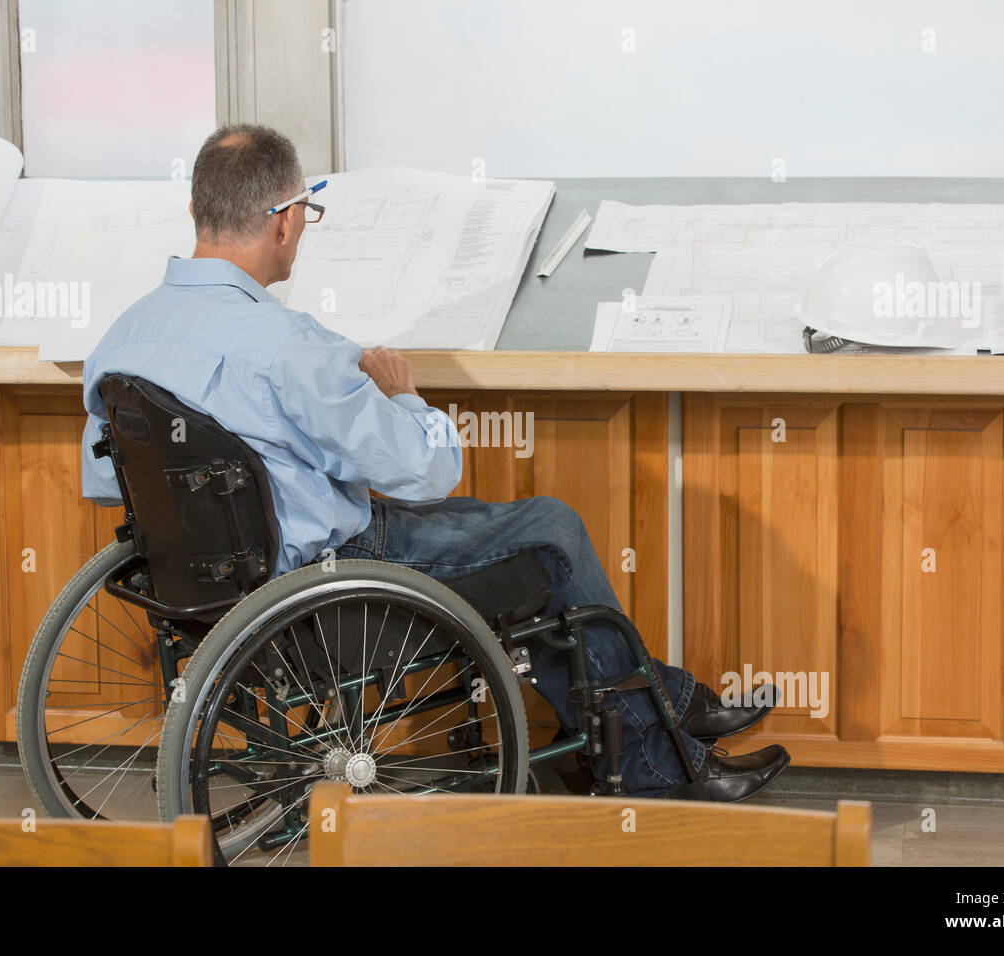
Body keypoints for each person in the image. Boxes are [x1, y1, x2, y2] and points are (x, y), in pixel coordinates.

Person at [80, 123, 791, 801]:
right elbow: (426, 472)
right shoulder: (285, 346)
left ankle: (660, 708)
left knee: (495, 527)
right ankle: (653, 758)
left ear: (199, 209)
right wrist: (405, 397)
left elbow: (105, 480)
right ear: (285, 220)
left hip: (206, 595)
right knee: (549, 528)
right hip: (321, 582)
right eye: (308, 214)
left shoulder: (124, 339)